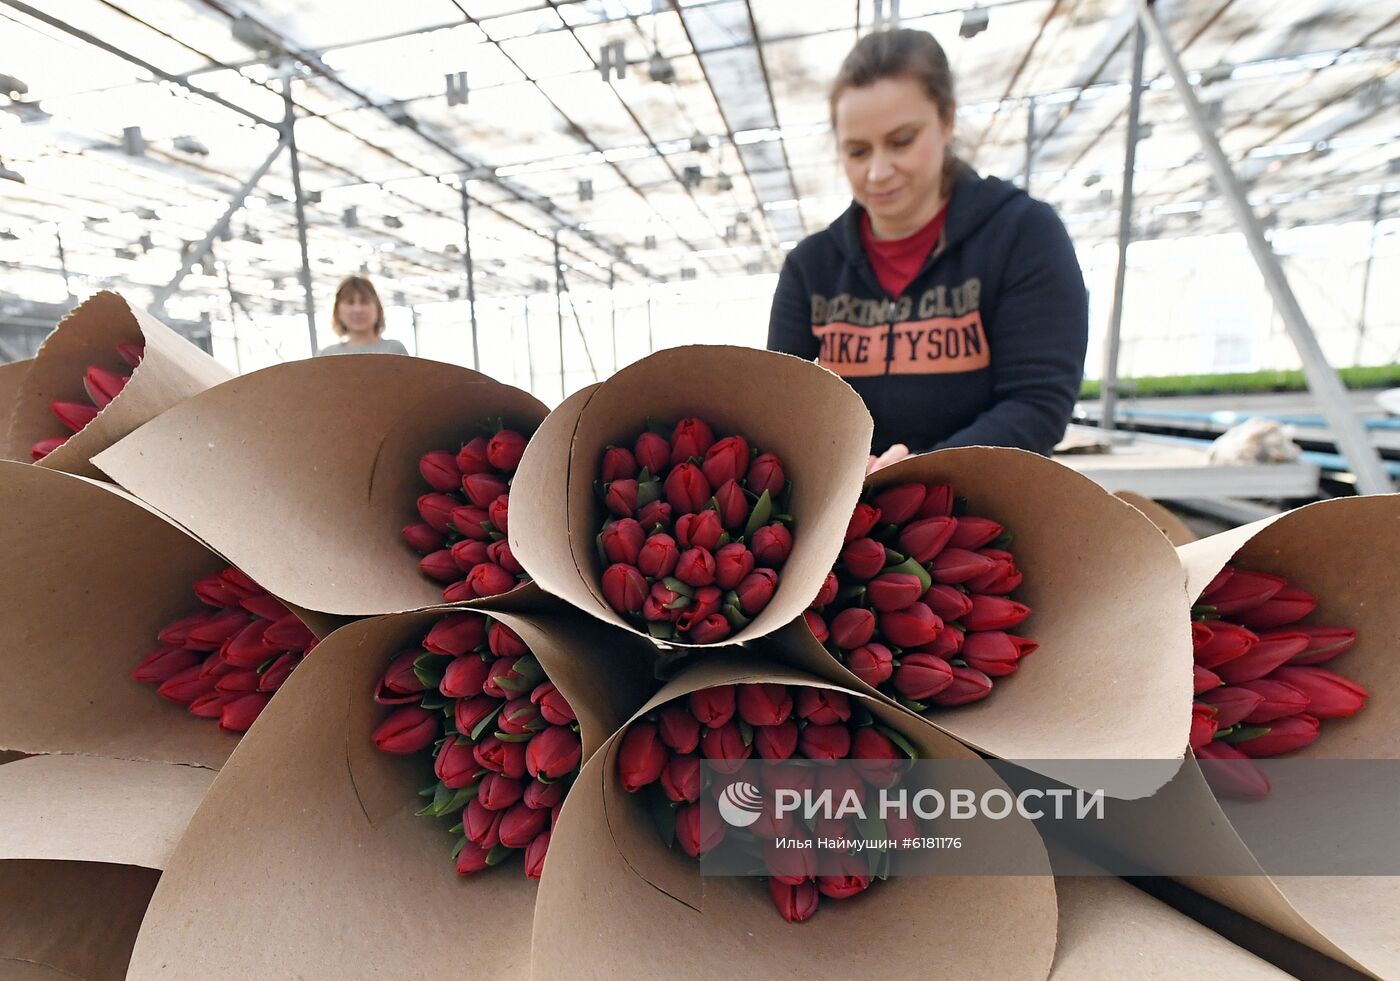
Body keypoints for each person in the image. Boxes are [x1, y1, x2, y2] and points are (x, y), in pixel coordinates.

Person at [767, 28, 1088, 470]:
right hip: (844, 511)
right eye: (858, 151)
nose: (879, 172)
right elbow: (782, 411)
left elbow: (1037, 403)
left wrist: (920, 472)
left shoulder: (1022, 235)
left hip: (983, 506)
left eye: (901, 141)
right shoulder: (811, 268)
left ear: (947, 120)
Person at [315, 275, 409, 357]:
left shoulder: (394, 350)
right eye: (350, 302)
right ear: (337, 310)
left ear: (377, 308)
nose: (358, 309)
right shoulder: (327, 355)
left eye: (365, 302)